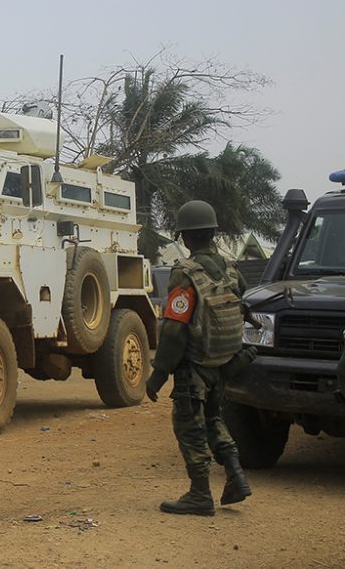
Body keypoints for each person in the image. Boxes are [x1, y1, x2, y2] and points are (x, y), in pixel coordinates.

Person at [145, 200, 258, 516]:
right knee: (213, 419)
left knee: (189, 427)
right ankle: (235, 475)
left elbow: (174, 330)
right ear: (212, 233)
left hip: (194, 367)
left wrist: (158, 374)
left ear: (185, 237)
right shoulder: (232, 269)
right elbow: (240, 304)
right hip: (222, 361)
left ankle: (199, 495)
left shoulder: (185, 273)